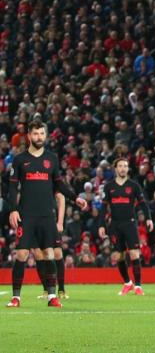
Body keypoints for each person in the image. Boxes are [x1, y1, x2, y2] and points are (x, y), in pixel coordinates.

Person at [6, 121, 88, 308]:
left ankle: (52, 296)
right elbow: (11, 187)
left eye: (42, 133)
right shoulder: (19, 160)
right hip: (26, 215)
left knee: (49, 253)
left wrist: (76, 198)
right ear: (28, 136)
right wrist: (13, 209)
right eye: (35, 134)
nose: (39, 137)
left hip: (46, 215)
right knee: (22, 254)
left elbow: (59, 184)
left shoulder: (51, 159)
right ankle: (16, 298)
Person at [98, 158, 154, 295]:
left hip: (130, 223)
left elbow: (143, 203)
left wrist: (148, 219)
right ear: (115, 169)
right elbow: (103, 208)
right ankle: (128, 283)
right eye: (120, 166)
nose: (123, 168)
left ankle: (138, 286)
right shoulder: (109, 187)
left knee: (134, 253)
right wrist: (101, 225)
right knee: (118, 256)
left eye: (125, 166)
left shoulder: (134, 186)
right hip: (115, 225)